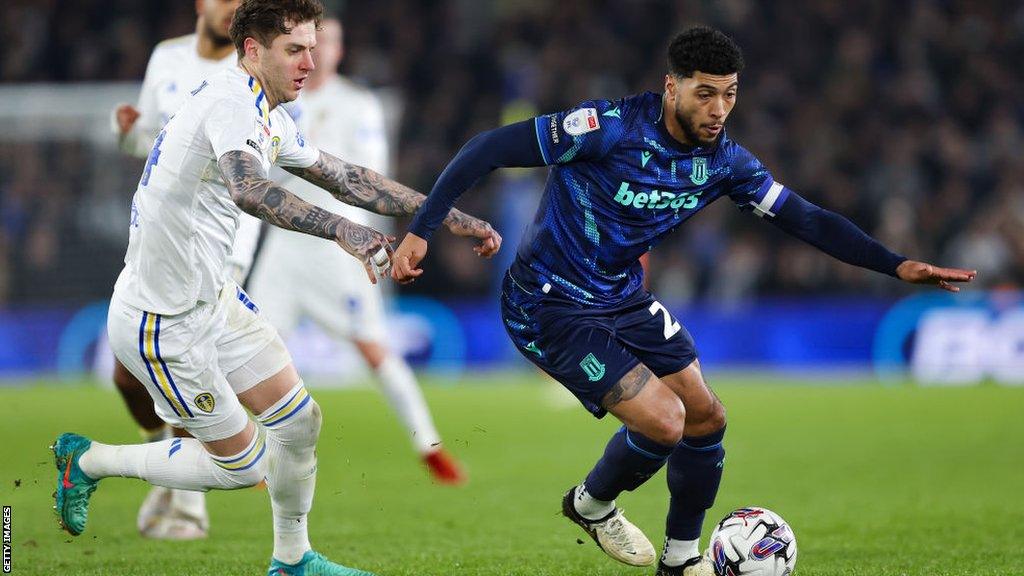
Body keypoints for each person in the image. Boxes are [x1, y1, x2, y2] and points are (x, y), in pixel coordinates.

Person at [391, 26, 975, 576]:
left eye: (729, 95)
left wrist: (896, 264)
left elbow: (805, 218)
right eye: (705, 94)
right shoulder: (607, 127)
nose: (718, 109)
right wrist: (422, 228)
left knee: (707, 416)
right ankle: (591, 506)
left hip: (621, 298)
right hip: (549, 306)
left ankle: (680, 558)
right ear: (671, 87)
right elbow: (487, 147)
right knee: (666, 423)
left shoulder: (724, 161)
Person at [53, 2, 499, 576]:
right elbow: (249, 190)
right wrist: (346, 232)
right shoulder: (231, 102)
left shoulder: (266, 110)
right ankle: (88, 461)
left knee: (299, 421)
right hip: (163, 321)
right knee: (244, 466)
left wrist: (450, 218)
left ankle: (292, 560)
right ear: (253, 50)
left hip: (212, 301)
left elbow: (349, 178)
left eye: (313, 48)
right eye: (295, 50)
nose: (311, 62)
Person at [230, 17, 465, 485]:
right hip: (284, 244)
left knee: (373, 347)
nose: (315, 55)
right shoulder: (271, 101)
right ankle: (238, 451)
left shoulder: (358, 104)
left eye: (327, 43)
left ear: (336, 51)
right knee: (246, 347)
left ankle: (429, 445)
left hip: (341, 247)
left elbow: (368, 173)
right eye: (305, 45)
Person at [111, 0, 242, 540]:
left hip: (215, 244)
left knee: (184, 369)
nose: (232, 7)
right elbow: (152, 144)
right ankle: (163, 460)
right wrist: (127, 134)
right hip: (155, 235)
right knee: (126, 374)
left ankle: (189, 506)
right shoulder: (165, 58)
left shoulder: (245, 78)